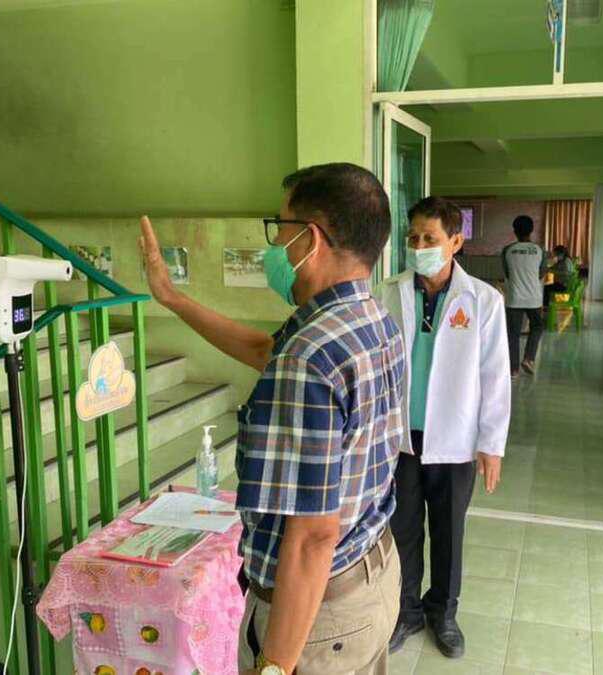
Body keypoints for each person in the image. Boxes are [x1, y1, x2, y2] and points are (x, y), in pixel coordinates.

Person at [139, 163, 407, 675]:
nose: (274, 244)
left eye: (279, 227)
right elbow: (265, 350)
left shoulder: (310, 355)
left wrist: (276, 665)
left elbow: (312, 538)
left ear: (310, 238)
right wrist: (173, 299)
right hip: (372, 576)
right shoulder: (370, 319)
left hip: (319, 618)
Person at [375, 196, 510, 659]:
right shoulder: (388, 293)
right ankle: (406, 610)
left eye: (430, 239)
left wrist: (492, 444)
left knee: (448, 532)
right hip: (400, 440)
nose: (419, 247)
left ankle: (444, 613)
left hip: (455, 439)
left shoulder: (484, 300)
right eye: (413, 238)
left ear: (455, 241)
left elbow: (495, 377)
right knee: (402, 529)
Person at [502, 215, 546, 376]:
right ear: (531, 230)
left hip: (514, 298)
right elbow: (541, 273)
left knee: (513, 334)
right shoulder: (539, 250)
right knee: (537, 327)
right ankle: (528, 358)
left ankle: (513, 370)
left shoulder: (507, 250)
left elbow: (507, 273)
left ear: (515, 231)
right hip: (534, 298)